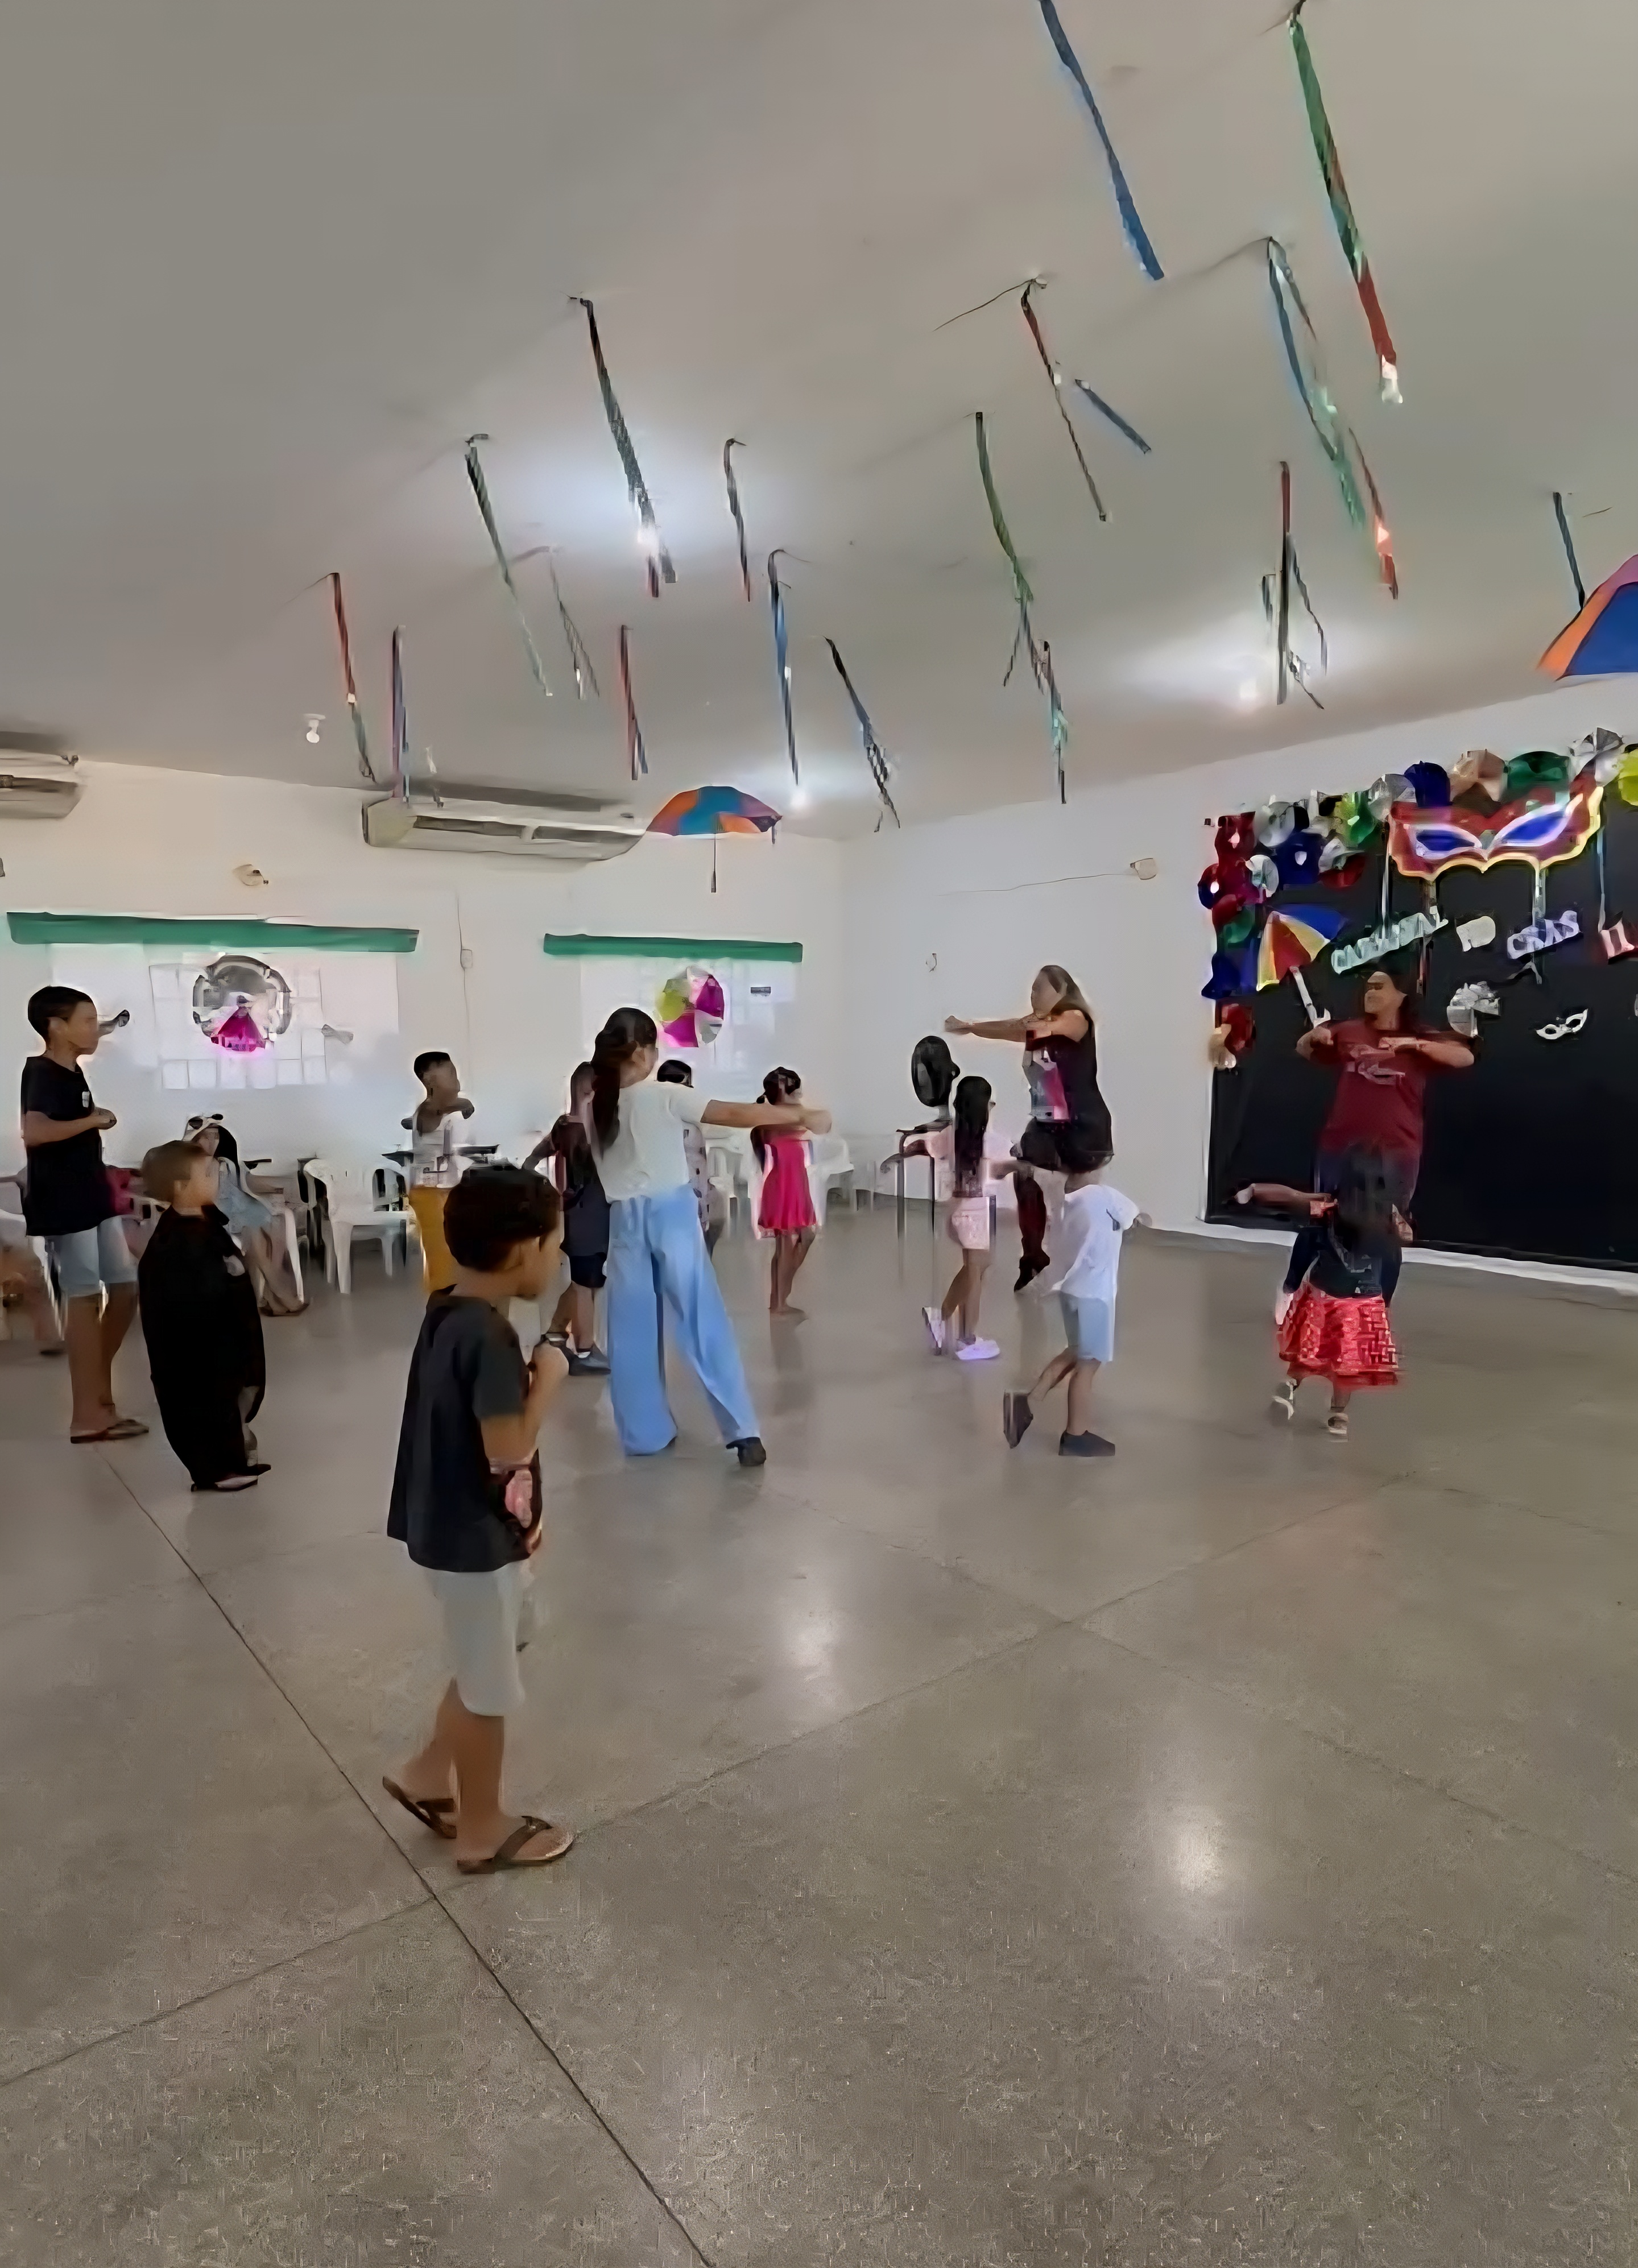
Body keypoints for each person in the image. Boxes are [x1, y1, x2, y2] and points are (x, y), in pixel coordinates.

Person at [383, 1167, 574, 1874]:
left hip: (450, 1521)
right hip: (473, 1539)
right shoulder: (491, 1339)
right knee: (487, 1687)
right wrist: (549, 1377)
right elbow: (508, 1446)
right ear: (523, 1250)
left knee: (497, 1646)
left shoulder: (447, 1309)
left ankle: (428, 1774)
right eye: (554, 1244)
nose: (558, 1258)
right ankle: (482, 1829)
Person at [588, 1007, 822, 1464]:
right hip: (671, 1215)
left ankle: (644, 1434)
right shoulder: (665, 1094)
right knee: (702, 1319)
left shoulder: (595, 1105)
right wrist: (802, 1115)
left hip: (623, 1221)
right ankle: (741, 1431)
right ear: (641, 1053)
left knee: (631, 1331)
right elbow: (735, 1112)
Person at [1279, 963, 1473, 1316]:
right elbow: (1304, 1049)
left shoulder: (1421, 1038)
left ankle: (1377, 1314)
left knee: (1386, 1234)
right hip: (1341, 1147)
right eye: (1368, 987)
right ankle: (1290, 1291)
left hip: (1396, 1152)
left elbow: (1465, 1057)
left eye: (1379, 987)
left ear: (1401, 995)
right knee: (1322, 1221)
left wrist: (1413, 1044)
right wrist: (1313, 1037)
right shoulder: (1349, 1031)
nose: (1370, 993)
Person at [19, 985, 147, 1443]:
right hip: (65, 1202)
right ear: (57, 1027)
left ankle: (98, 1389)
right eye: (88, 1021)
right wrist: (93, 1121)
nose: (96, 1029)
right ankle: (87, 1413)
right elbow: (35, 1132)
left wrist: (111, 1026)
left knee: (125, 1289)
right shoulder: (42, 1072)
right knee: (85, 1297)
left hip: (93, 1196)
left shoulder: (72, 1071)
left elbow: (99, 1032)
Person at [946, 964, 1112, 1293]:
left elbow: (1038, 1029)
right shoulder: (1038, 1027)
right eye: (1032, 988)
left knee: (1078, 1203)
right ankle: (1034, 1255)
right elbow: (1013, 1028)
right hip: (1048, 1125)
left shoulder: (1076, 1018)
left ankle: (1084, 1271)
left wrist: (1023, 1026)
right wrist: (971, 1028)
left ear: (1061, 990)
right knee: (1025, 1176)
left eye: (1040, 988)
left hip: (1083, 1127)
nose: (1033, 993)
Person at [1240, 1154, 1407, 1439]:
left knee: (1308, 1351)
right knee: (1348, 1365)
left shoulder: (1327, 1212)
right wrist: (1385, 1302)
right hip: (1363, 1304)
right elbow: (1394, 1260)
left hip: (1323, 1295)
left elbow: (1302, 1236)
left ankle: (1290, 1384)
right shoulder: (1386, 1220)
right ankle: (1338, 1415)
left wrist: (1292, 1282)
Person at [137, 1139, 269, 1493]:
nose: (217, 1179)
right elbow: (181, 1294)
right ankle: (216, 1468)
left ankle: (235, 1452)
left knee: (236, 1391)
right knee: (204, 1401)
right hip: (196, 1345)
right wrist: (229, 1273)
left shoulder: (204, 1221)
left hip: (225, 1333)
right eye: (209, 1174)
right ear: (181, 1186)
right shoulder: (174, 1240)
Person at [1003, 1165, 1144, 1457]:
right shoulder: (1105, 1197)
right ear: (1099, 1162)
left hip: (1071, 1291)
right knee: (1089, 1363)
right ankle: (1075, 1435)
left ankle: (1026, 1402)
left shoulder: (1066, 1199)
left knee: (1077, 1350)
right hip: (1096, 1296)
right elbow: (1134, 1216)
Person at [902, 1074, 1011, 1361]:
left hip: (958, 1211)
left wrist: (913, 1147)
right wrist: (1020, 1165)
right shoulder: (992, 1141)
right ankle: (967, 1340)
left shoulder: (950, 1135)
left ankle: (942, 1316)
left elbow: (930, 1147)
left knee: (980, 1265)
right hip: (976, 1213)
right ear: (986, 1106)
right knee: (976, 1273)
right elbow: (1002, 1168)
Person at [524, 1065, 610, 1376]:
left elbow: (542, 1150)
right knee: (585, 1286)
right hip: (591, 1222)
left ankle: (556, 1333)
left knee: (583, 1284)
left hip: (582, 1219)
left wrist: (531, 1166)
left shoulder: (565, 1126)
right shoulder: (590, 1132)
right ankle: (585, 1350)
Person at [183, 1115, 304, 1315]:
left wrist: (272, 1191)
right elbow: (207, 1200)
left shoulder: (222, 1163)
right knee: (259, 1239)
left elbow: (243, 1186)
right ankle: (281, 1294)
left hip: (245, 1208)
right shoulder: (196, 1166)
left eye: (216, 1136)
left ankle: (273, 1296)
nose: (212, 1142)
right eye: (207, 1137)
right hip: (227, 1216)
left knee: (275, 1227)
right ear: (196, 1139)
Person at [750, 1067, 833, 1319]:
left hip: (796, 1184)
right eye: (791, 1087)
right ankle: (779, 1301)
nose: (797, 1092)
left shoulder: (791, 1116)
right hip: (784, 1185)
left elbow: (821, 1124)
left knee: (804, 1237)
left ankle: (781, 1295)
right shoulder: (775, 1119)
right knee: (786, 1245)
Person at [404, 1051, 475, 1296]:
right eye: (451, 1074)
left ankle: (450, 1301)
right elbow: (438, 1109)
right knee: (441, 1258)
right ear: (429, 1081)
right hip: (428, 1193)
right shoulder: (428, 1111)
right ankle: (442, 1304)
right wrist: (461, 1103)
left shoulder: (441, 1112)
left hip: (443, 1190)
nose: (457, 1080)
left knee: (451, 1256)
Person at [656, 1059, 728, 1256]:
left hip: (697, 1185)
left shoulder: (692, 1115)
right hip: (675, 1188)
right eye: (686, 1085)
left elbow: (702, 1151)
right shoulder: (660, 1117)